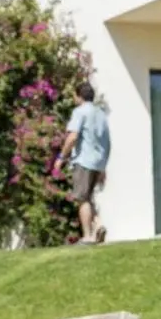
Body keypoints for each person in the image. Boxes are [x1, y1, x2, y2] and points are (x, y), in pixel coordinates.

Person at [55, 82, 111, 245]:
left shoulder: (79, 112)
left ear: (79, 96)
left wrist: (61, 157)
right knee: (88, 198)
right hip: (98, 162)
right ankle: (99, 225)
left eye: (74, 95)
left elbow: (72, 137)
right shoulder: (101, 114)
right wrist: (103, 166)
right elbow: (107, 141)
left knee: (81, 199)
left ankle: (87, 236)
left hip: (83, 161)